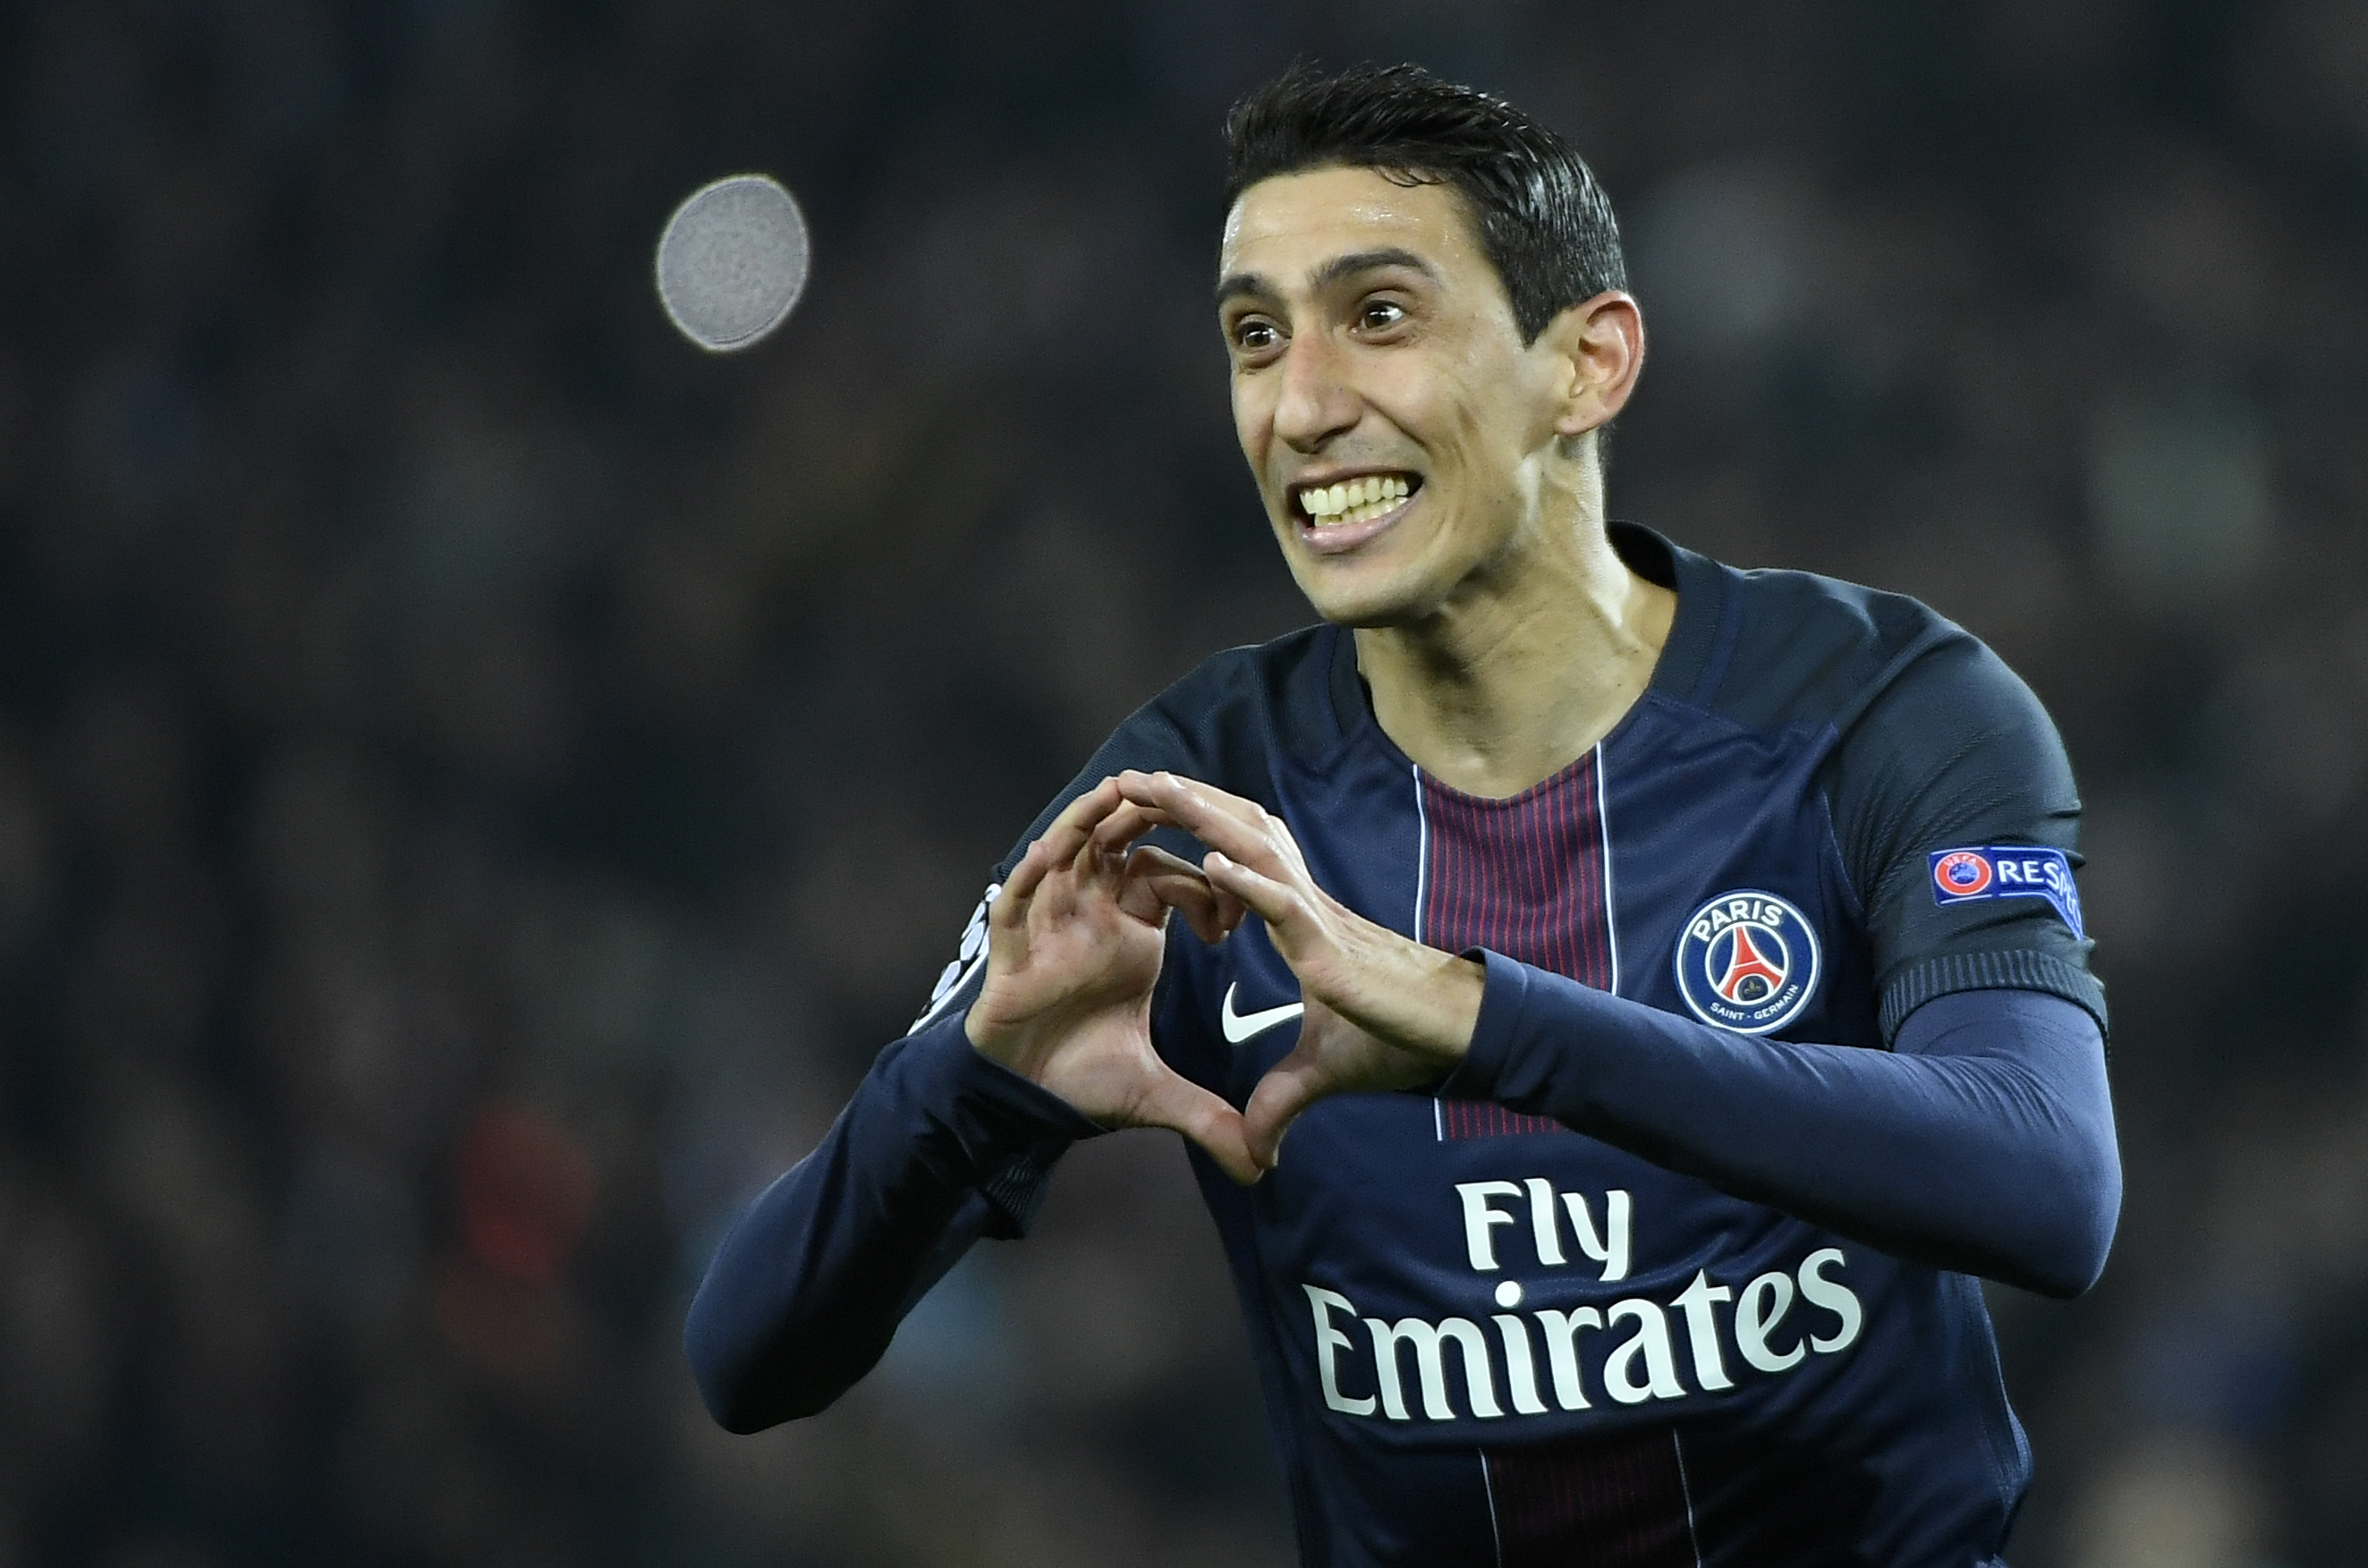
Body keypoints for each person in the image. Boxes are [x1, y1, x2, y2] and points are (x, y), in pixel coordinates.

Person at [685, 62, 2120, 1567]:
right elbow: (745, 1354)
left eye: (1378, 316)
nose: (1301, 406)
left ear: (1588, 362)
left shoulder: (1880, 712)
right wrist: (968, 1086)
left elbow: (2046, 1177)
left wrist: (1477, 1017)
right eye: (1255, 336)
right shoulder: (1197, 800)